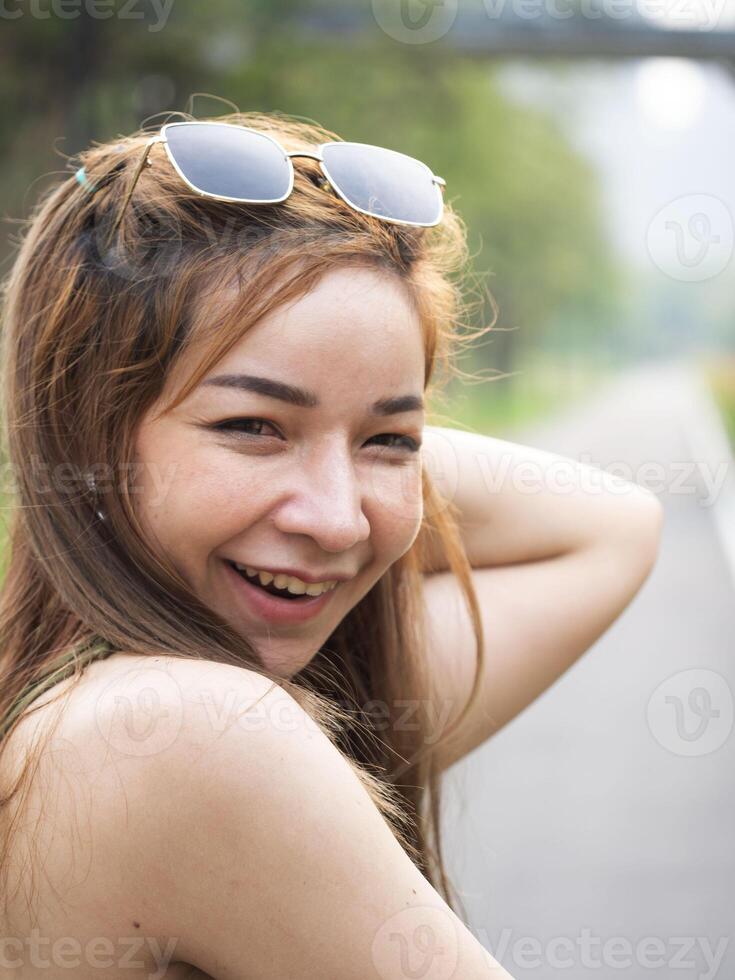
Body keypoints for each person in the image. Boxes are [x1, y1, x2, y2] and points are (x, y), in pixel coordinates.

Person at [0, 110, 663, 979]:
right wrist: (353, 427)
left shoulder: (79, 705)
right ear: (84, 435)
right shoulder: (177, 733)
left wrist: (335, 429)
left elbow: (609, 526)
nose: (339, 521)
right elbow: (604, 527)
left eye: (391, 441)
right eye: (251, 425)